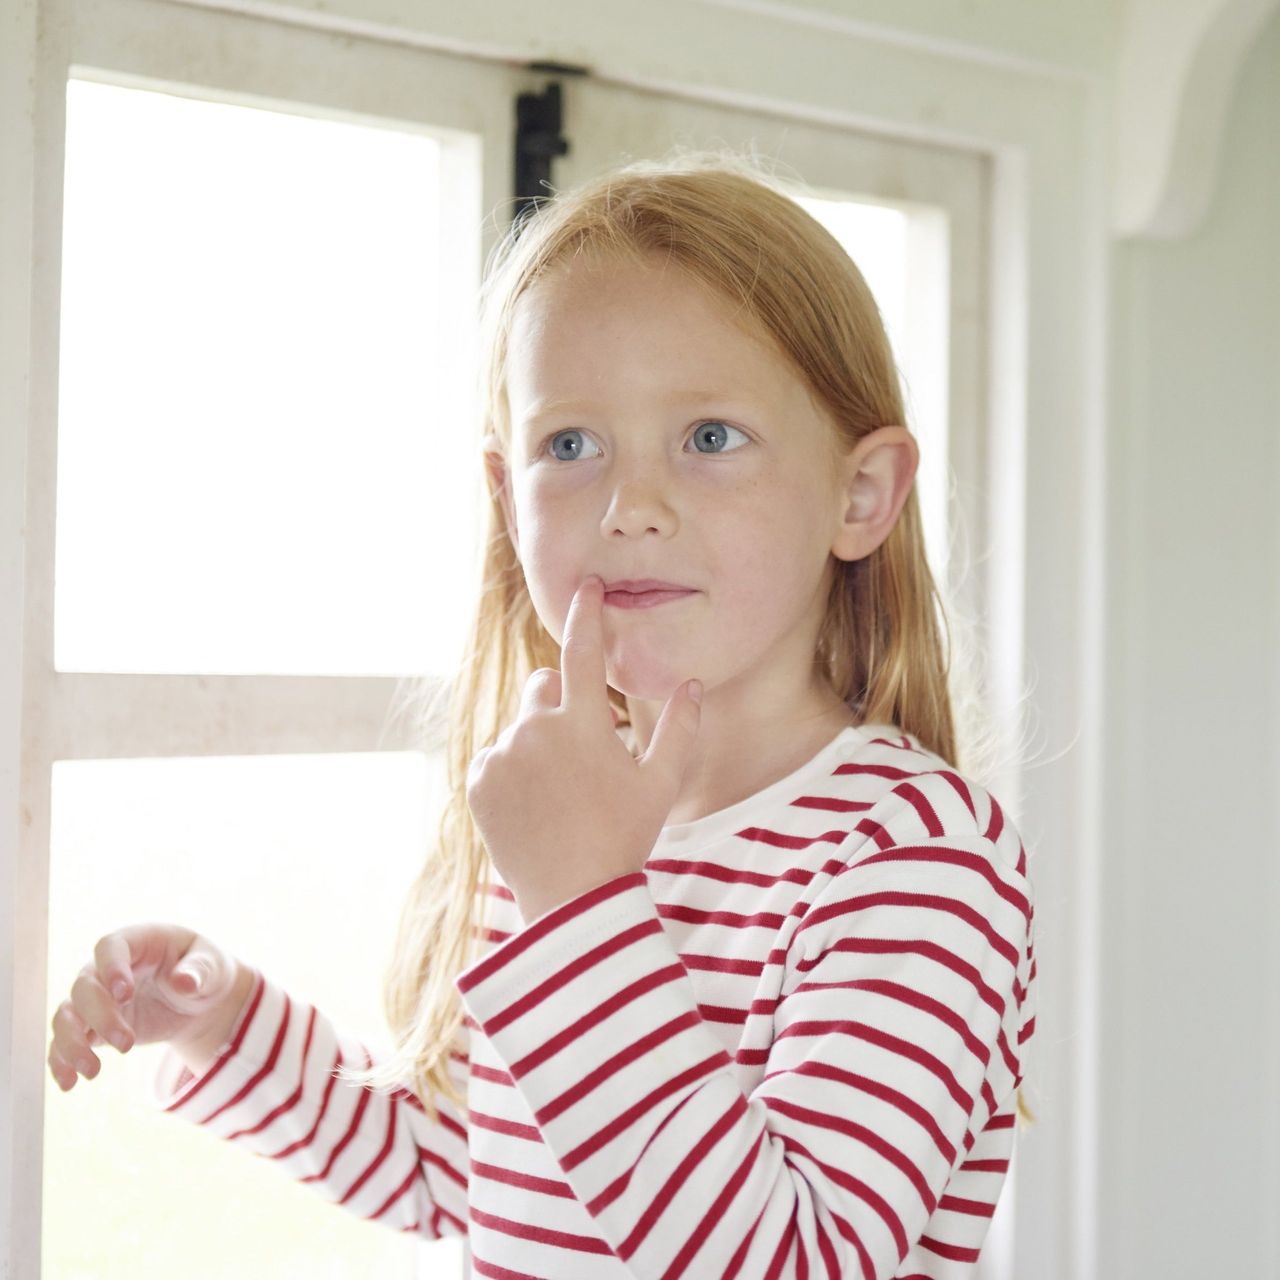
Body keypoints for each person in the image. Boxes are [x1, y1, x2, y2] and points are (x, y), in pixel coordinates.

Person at [47, 148, 1039, 1277]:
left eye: (709, 437)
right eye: (570, 446)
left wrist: (580, 901)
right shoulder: (558, 818)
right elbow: (462, 1173)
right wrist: (228, 1027)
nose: (630, 507)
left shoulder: (907, 853)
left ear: (858, 495)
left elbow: (793, 1254)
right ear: (502, 496)